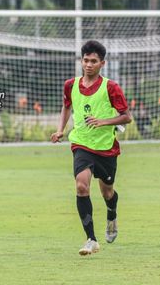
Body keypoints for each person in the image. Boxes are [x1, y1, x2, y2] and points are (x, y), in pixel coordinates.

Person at [51, 40, 132, 256]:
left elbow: (127, 117)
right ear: (81, 60)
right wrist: (60, 130)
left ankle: (112, 214)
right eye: (85, 60)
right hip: (81, 144)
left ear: (102, 63)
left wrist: (103, 122)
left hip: (106, 148)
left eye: (93, 61)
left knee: (107, 192)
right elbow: (66, 106)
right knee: (81, 187)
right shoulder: (70, 85)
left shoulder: (111, 87)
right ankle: (91, 239)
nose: (88, 65)